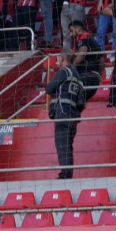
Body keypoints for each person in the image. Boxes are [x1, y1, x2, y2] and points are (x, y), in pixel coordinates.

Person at [45, 51, 85, 179]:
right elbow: (82, 101)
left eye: (59, 60)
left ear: (63, 59)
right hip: (73, 116)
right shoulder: (78, 77)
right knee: (68, 145)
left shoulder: (64, 72)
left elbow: (49, 88)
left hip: (62, 114)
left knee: (62, 144)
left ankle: (65, 174)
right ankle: (68, 172)